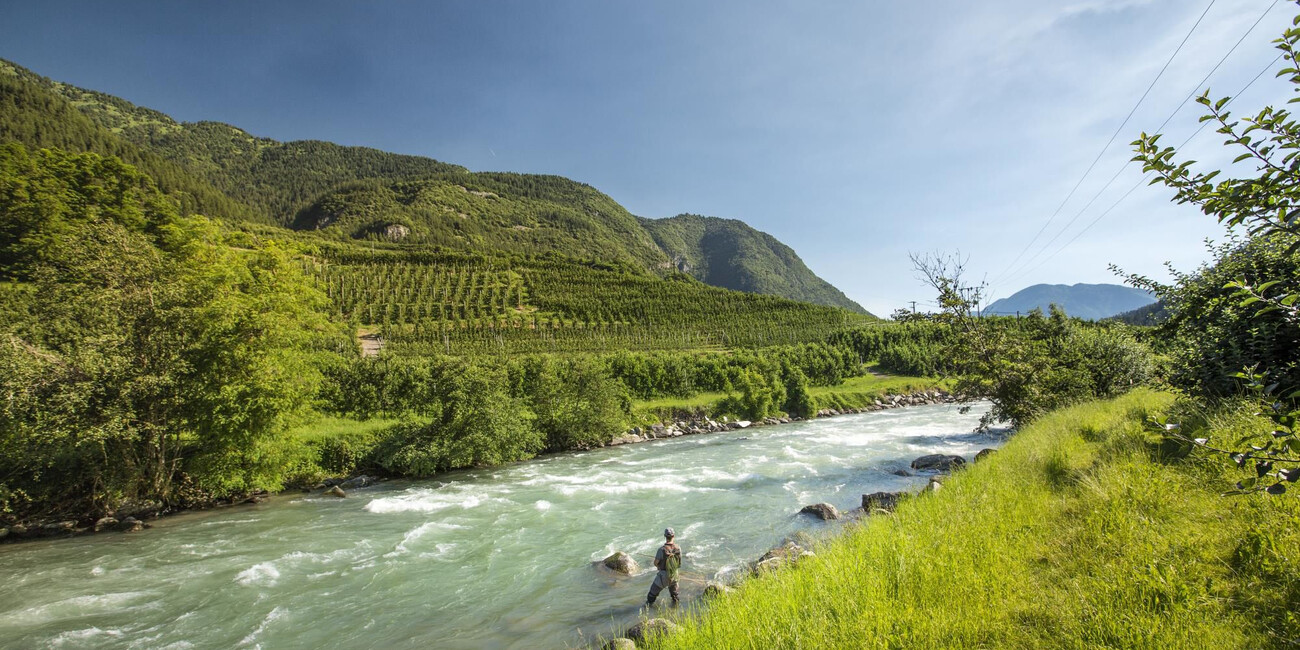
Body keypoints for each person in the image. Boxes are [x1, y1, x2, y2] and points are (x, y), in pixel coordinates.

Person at [646, 527, 682, 606]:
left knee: (652, 595)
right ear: (673, 536)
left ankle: (648, 609)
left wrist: (658, 566)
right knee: (675, 596)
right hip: (675, 575)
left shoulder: (661, 550)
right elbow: (679, 563)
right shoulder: (678, 548)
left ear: (665, 536)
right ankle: (676, 609)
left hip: (663, 576)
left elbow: (655, 563)